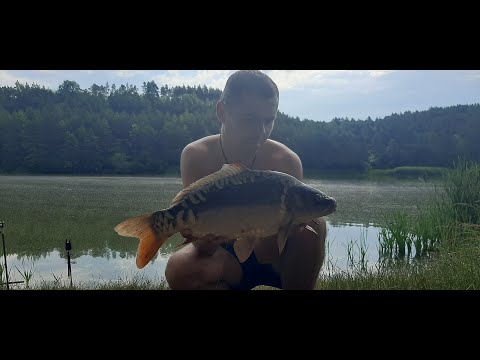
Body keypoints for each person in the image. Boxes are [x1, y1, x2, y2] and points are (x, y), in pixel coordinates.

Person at [165, 70, 327, 290]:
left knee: (315, 225)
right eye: (249, 120)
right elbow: (202, 246)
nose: (260, 131)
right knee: (180, 267)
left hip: (276, 260)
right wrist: (204, 237)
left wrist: (280, 229)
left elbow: (273, 250)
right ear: (222, 112)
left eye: (269, 121)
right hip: (225, 256)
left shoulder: (287, 161)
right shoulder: (196, 155)